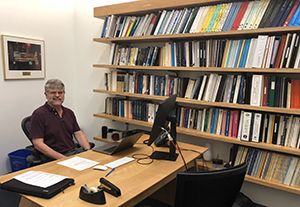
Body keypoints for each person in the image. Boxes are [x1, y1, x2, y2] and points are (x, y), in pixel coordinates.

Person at [30, 79, 91, 161]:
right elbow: (38, 144)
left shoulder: (69, 112)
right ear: (46, 94)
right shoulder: (39, 114)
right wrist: (64, 159)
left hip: (72, 153)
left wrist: (88, 151)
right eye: (53, 92)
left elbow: (78, 133)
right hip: (52, 158)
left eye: (60, 92)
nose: (57, 95)